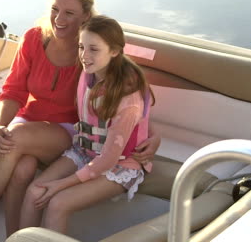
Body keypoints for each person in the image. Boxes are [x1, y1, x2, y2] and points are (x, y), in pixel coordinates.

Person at [0, 0, 160, 241]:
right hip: (29, 121)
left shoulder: (89, 52)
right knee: (21, 168)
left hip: (66, 130)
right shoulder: (34, 39)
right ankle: (15, 237)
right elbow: (14, 90)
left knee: (15, 139)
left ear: (86, 15)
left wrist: (153, 136)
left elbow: (127, 95)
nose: (59, 19)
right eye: (55, 10)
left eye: (69, 13)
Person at [18, 15, 154, 233]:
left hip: (119, 164)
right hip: (85, 151)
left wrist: (59, 185)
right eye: (81, 47)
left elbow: (109, 159)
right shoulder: (89, 74)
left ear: (114, 51)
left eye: (93, 49)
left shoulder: (128, 97)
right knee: (35, 191)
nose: (84, 55)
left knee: (57, 203)